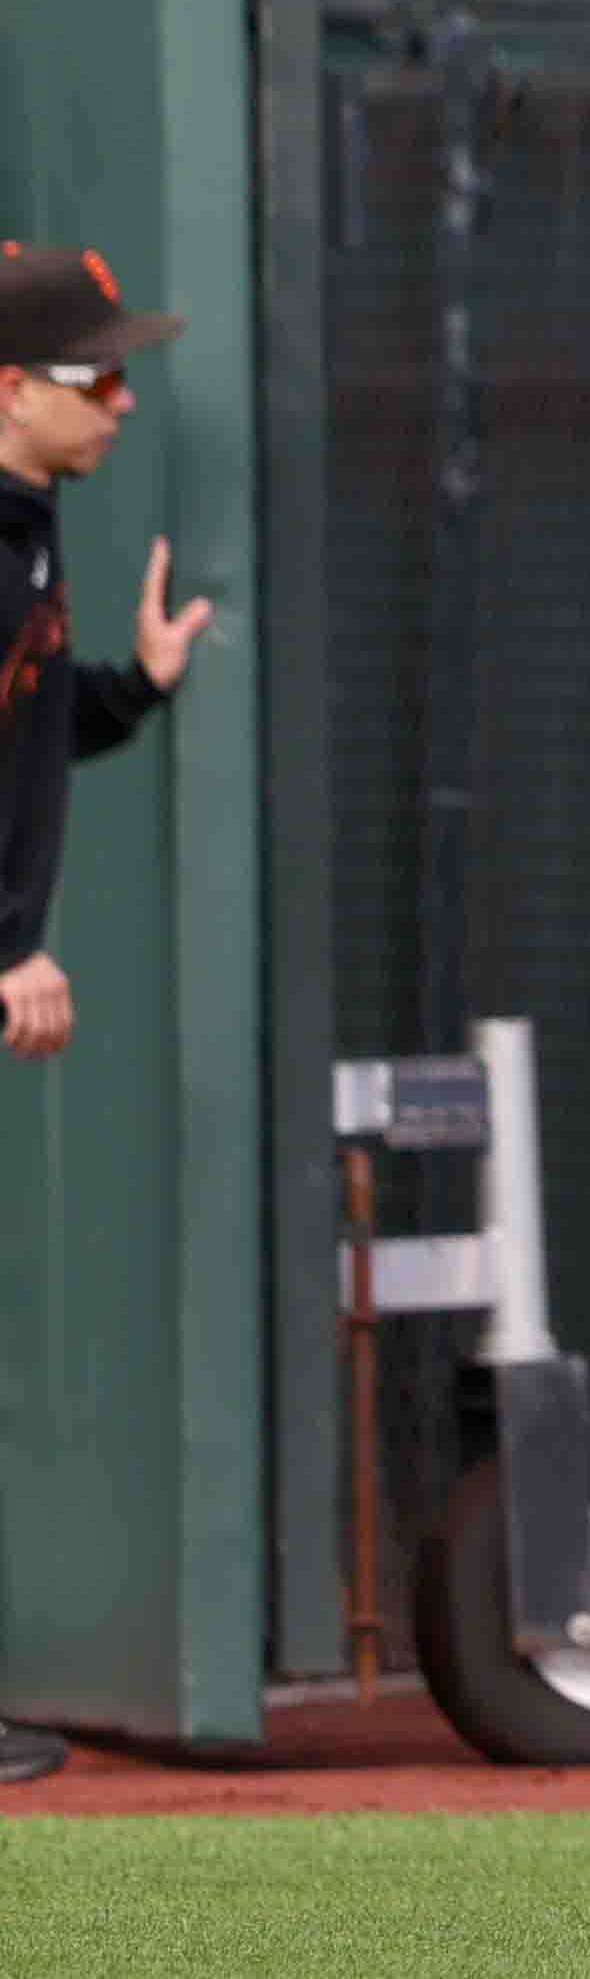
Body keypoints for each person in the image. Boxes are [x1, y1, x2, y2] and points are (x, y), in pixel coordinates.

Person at [0, 241, 208, 1788]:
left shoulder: (28, 520)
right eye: (97, 377)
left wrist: (127, 685)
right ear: (12, 389)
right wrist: (7, 944)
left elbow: (19, 715)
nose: (124, 399)